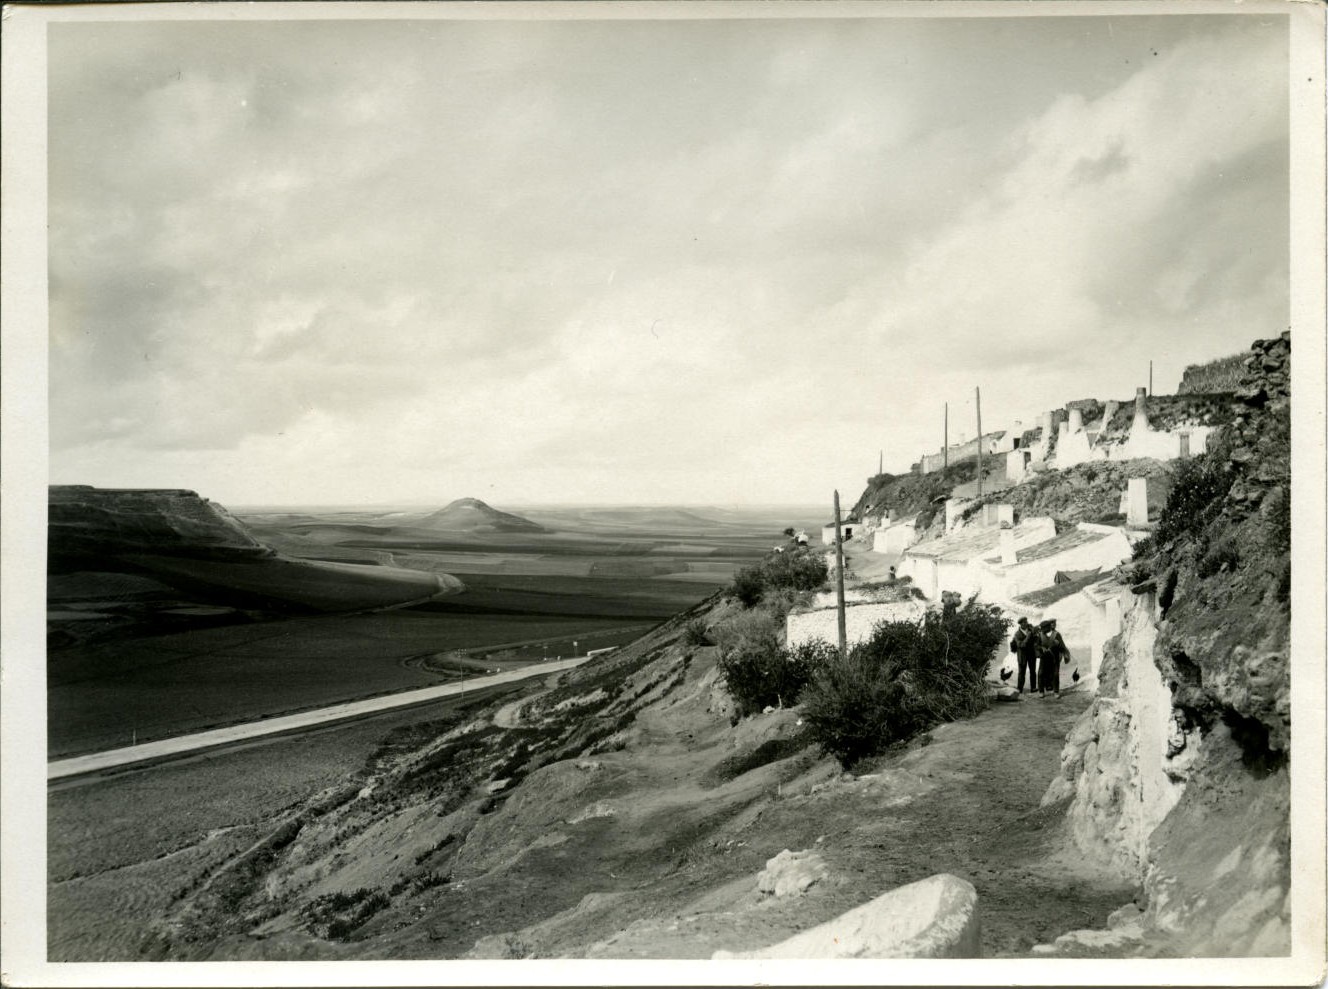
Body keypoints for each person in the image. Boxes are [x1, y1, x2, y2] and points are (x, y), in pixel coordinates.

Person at [1038, 619, 1071, 698]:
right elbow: (1036, 645)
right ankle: (1041, 691)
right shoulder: (1040, 634)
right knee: (1041, 673)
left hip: (1054, 658)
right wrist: (1041, 648)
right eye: (1042, 629)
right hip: (1044, 658)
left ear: (1048, 627)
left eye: (1043, 629)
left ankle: (1056, 692)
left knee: (1055, 674)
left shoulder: (1057, 634)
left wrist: (1058, 644)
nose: (1042, 630)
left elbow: (1062, 646)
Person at [1012, 616, 1037, 693]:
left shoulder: (1031, 630)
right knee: (1021, 673)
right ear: (1021, 624)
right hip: (1022, 656)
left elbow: (1037, 640)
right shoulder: (1017, 634)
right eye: (1024, 622)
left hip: (1031, 654)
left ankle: (1033, 688)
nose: (1026, 623)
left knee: (1033, 671)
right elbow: (1021, 645)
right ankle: (1019, 689)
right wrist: (1028, 636)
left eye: (1026, 621)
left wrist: (1035, 632)